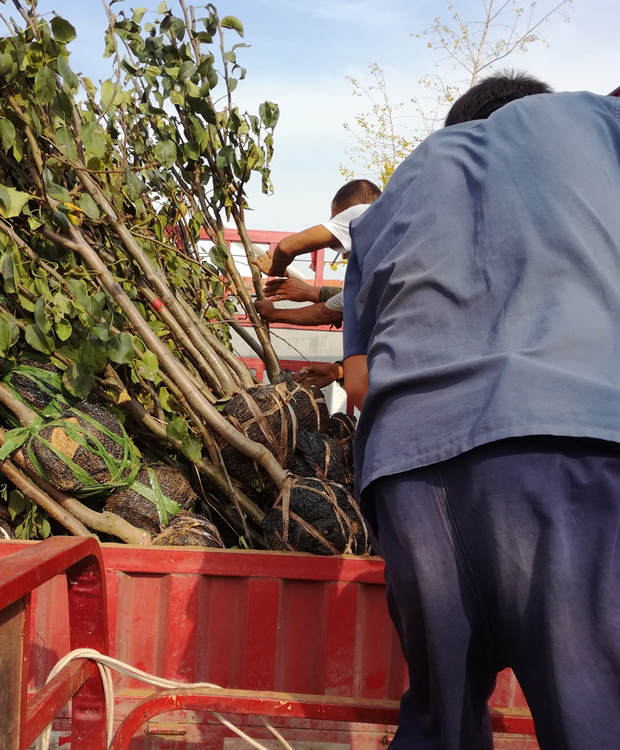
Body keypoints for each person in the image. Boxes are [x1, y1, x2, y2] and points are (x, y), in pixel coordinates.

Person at [342, 72, 620, 749]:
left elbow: (356, 381)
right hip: (567, 442)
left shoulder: (395, 194)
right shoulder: (594, 122)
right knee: (595, 717)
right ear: (539, 104)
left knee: (442, 722)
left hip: (409, 476)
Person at [254, 179, 380, 388]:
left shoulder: (365, 213)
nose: (342, 255)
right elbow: (328, 311)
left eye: (335, 219)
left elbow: (288, 246)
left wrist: (274, 269)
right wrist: (274, 314)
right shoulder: (375, 272)